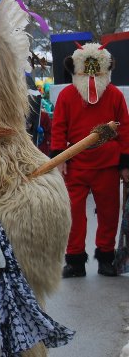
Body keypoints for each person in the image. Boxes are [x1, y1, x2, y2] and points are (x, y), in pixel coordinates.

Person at [52, 43, 129, 277]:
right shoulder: (67, 95)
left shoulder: (115, 95)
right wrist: (59, 158)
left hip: (108, 166)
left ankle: (106, 257)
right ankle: (75, 260)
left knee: (109, 214)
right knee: (73, 214)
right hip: (75, 165)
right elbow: (59, 127)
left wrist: (125, 164)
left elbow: (125, 129)